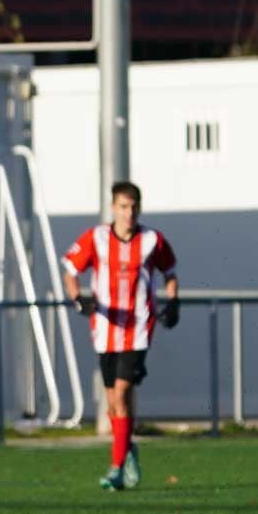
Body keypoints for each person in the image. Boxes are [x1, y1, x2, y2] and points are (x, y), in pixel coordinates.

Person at [61, 181, 179, 491]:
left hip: (139, 328)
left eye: (134, 207)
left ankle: (115, 466)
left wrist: (173, 300)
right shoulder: (96, 237)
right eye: (124, 207)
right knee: (112, 403)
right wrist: (78, 299)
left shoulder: (152, 239)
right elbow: (71, 269)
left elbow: (170, 271)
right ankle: (127, 450)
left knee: (123, 396)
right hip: (104, 329)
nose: (129, 213)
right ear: (114, 207)